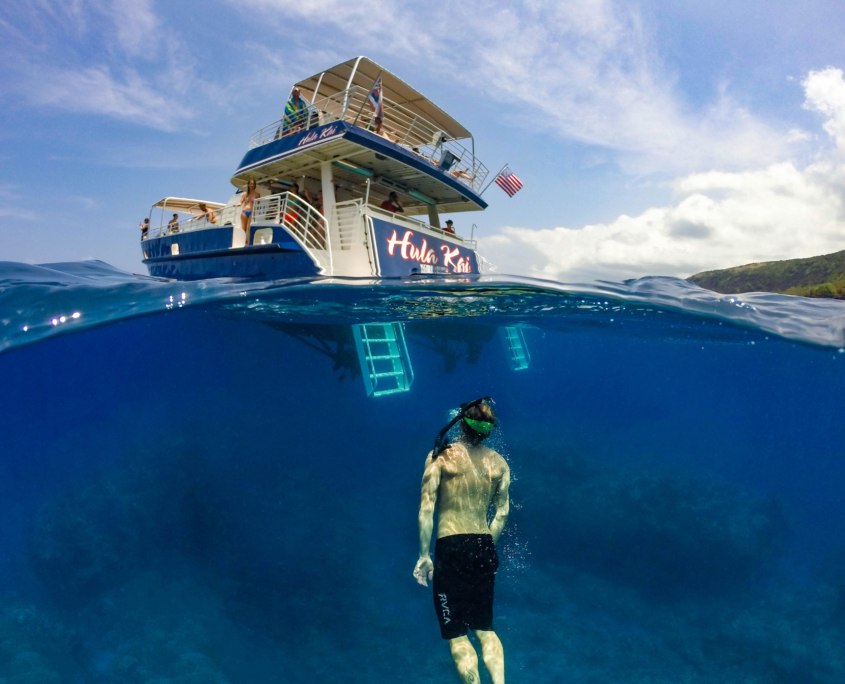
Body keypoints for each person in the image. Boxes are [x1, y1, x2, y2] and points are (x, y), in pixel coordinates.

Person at [414, 398, 510, 684]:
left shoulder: (441, 457)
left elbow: (426, 507)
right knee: (485, 629)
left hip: (451, 546)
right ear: (488, 431)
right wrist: (484, 547)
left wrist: (423, 556)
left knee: (457, 635)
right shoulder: (499, 464)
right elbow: (502, 513)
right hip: (483, 545)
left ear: (461, 425)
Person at [240, 178, 258, 244]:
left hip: (251, 212)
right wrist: (237, 204)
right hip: (244, 212)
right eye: (250, 184)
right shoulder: (245, 194)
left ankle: (248, 243)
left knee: (249, 228)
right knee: (243, 229)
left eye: (253, 184)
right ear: (248, 185)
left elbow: (258, 203)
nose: (252, 185)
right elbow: (240, 202)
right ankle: (243, 242)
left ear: (255, 185)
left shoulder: (257, 194)